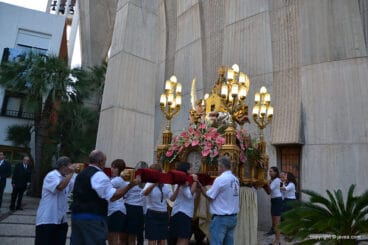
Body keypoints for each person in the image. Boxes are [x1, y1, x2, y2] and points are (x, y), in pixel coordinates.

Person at [71, 150, 141, 245]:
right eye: (105, 161)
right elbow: (113, 196)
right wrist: (130, 185)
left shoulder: (82, 174)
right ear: (101, 161)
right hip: (92, 219)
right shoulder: (99, 175)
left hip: (76, 218)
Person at [196, 156, 240, 245]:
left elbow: (209, 196)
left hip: (221, 218)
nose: (217, 168)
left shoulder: (221, 179)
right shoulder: (235, 179)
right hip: (232, 217)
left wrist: (200, 186)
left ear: (222, 167)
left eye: (218, 166)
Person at [35, 156, 76, 245]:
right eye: (70, 166)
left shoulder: (67, 177)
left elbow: (74, 188)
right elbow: (60, 187)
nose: (72, 167)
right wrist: (70, 173)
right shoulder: (52, 175)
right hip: (47, 218)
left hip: (61, 219)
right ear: (63, 166)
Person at [142, 163, 173, 245]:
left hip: (163, 214)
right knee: (152, 238)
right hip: (152, 214)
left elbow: (172, 198)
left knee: (162, 239)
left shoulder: (166, 184)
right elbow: (144, 193)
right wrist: (154, 183)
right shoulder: (149, 183)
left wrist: (179, 187)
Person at [168, 162, 198, 245]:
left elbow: (193, 196)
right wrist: (195, 181)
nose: (192, 171)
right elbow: (189, 195)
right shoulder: (182, 180)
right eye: (191, 169)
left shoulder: (187, 181)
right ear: (187, 170)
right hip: (182, 213)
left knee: (184, 239)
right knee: (183, 239)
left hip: (185, 213)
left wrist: (195, 184)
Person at [124, 161, 148, 245]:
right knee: (138, 234)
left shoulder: (130, 180)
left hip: (130, 207)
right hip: (140, 209)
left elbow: (125, 195)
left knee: (130, 235)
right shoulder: (147, 182)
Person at [107, 159, 129, 245]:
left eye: (114, 167)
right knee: (115, 237)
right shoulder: (124, 180)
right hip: (119, 210)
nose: (112, 169)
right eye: (111, 167)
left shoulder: (117, 180)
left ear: (120, 169)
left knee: (113, 237)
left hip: (115, 210)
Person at [263, 166, 282, 245]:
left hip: (277, 201)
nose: (270, 173)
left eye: (271, 171)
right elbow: (268, 192)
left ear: (276, 172)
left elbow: (269, 190)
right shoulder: (272, 180)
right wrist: (264, 185)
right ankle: (277, 241)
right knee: (274, 223)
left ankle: (277, 242)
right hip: (274, 200)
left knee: (277, 222)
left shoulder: (277, 180)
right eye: (269, 171)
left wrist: (266, 184)